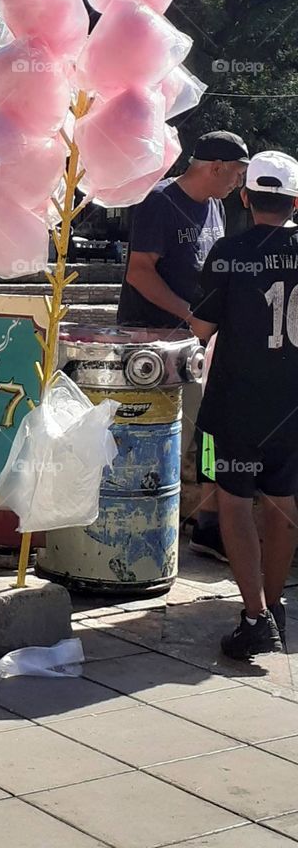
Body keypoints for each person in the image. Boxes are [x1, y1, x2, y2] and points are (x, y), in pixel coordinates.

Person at [117, 131, 250, 560]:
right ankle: (139, 529)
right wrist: (189, 315)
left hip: (198, 345)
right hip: (152, 344)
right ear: (215, 167)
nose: (238, 184)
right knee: (153, 439)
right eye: (236, 174)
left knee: (206, 431)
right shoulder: (159, 202)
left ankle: (207, 526)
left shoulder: (216, 207)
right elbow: (139, 272)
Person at [190, 150, 298, 659]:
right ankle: (273, 609)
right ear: (296, 201)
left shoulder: (229, 252)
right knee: (283, 501)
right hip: (292, 404)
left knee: (234, 499)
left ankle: (255, 617)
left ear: (245, 196)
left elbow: (202, 328)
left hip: (237, 401)